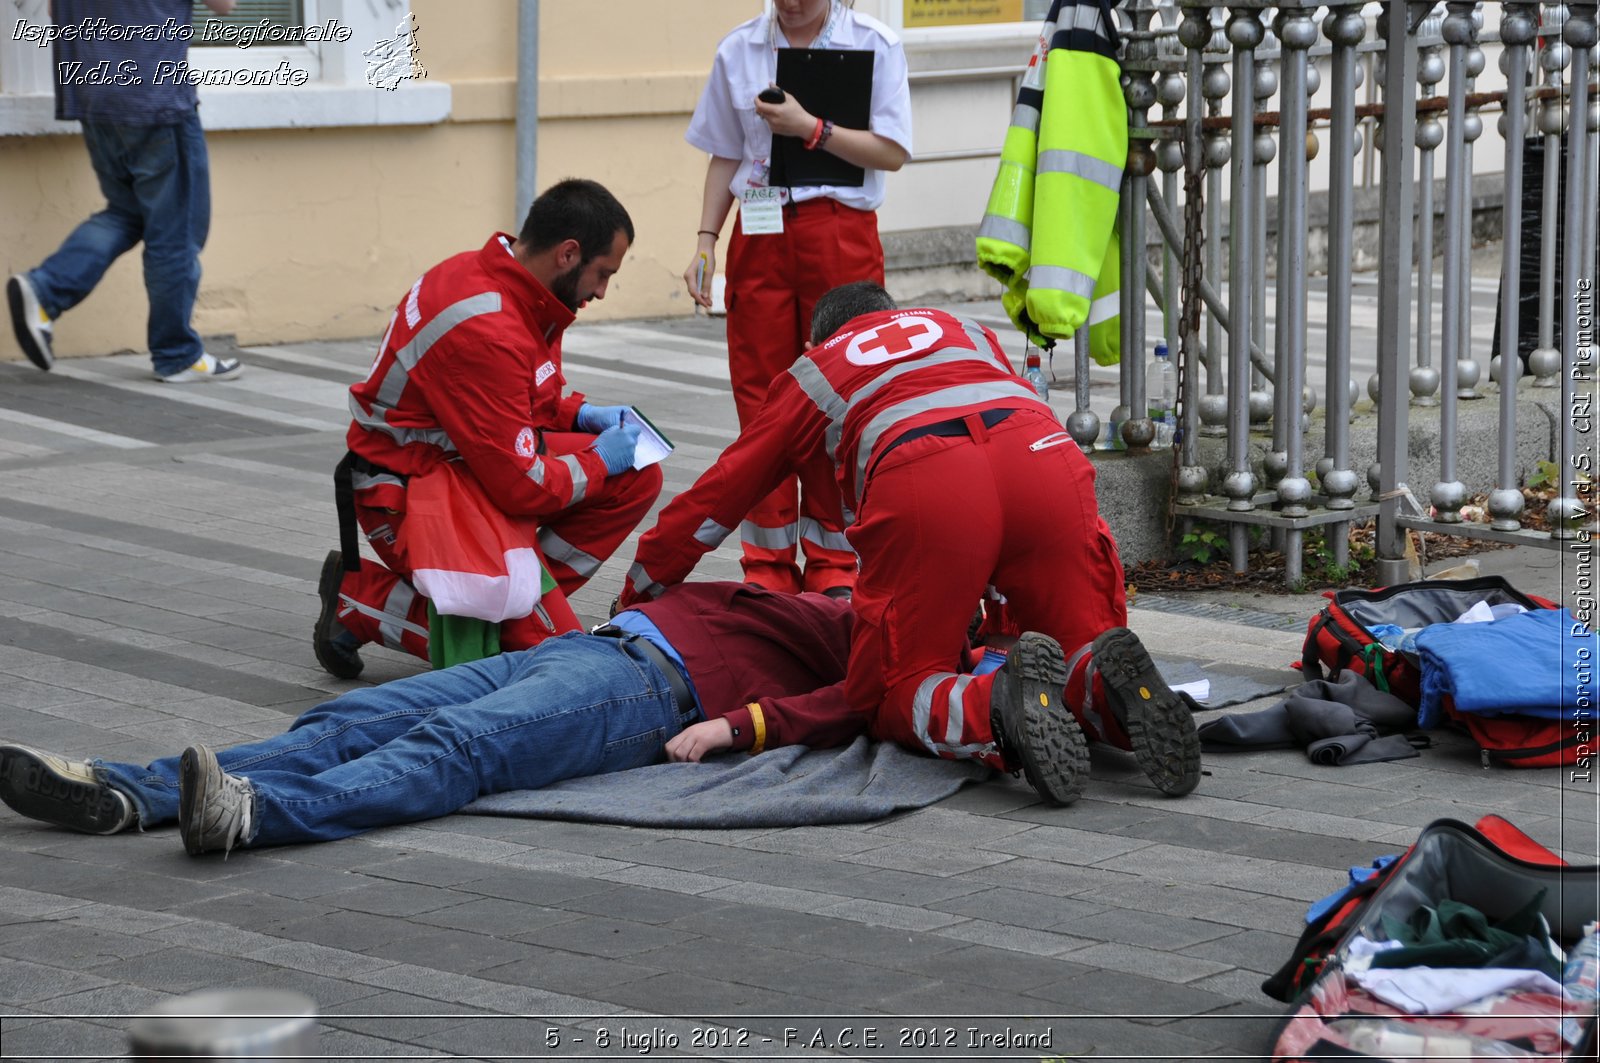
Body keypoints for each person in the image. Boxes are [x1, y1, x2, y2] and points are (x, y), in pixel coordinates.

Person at [621, 282, 1203, 805]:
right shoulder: (964, 330)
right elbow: (1002, 444)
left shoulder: (815, 371)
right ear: (893, 315)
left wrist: (640, 588)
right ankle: (1107, 688)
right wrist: (1002, 618)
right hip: (1042, 455)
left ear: (819, 337)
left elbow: (716, 497)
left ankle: (995, 707)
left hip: (929, 477)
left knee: (893, 690)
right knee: (1080, 641)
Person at [1, 581, 894, 855]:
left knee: (458, 747)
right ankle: (127, 789)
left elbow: (866, 694)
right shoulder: (878, 586)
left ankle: (252, 813)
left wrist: (742, 729)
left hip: (651, 688)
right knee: (353, 717)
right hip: (588, 646)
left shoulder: (924, 629)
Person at [316, 178, 661, 677]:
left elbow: (524, 401)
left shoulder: (504, 283)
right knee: (543, 659)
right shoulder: (489, 327)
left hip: (458, 470)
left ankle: (513, 602)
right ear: (568, 254)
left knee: (636, 475)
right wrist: (597, 457)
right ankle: (361, 600)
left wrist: (580, 415)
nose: (602, 292)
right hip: (410, 493)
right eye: (602, 273)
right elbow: (523, 487)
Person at [683, 0, 912, 598]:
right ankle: (766, 569)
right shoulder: (738, 48)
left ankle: (835, 569)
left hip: (838, 230)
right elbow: (725, 153)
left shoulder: (874, 43)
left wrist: (812, 129)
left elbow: (892, 151)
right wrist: (705, 241)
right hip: (758, 232)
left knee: (842, 392)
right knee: (759, 399)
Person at [7, 0, 244, 384]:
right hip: (154, 100)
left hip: (93, 96)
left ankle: (45, 289)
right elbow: (225, 5)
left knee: (125, 212)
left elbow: (55, 11)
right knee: (177, 234)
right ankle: (177, 354)